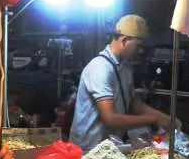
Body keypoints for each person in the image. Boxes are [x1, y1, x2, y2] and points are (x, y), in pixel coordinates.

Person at [68, 14, 175, 151]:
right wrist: (153, 119)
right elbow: (110, 119)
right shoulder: (100, 68)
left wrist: (164, 118)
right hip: (88, 149)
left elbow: (133, 104)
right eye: (139, 46)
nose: (141, 51)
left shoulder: (125, 66)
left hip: (109, 147)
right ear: (124, 40)